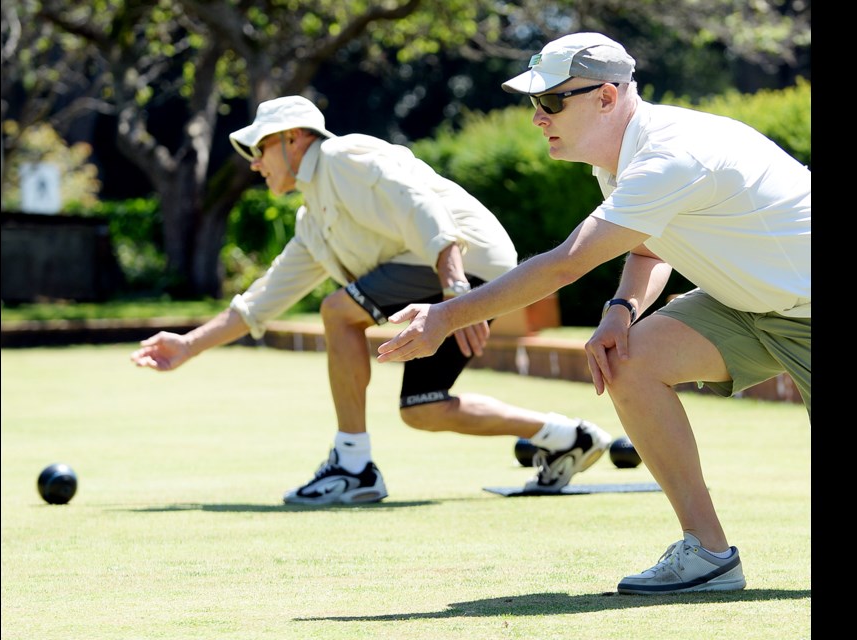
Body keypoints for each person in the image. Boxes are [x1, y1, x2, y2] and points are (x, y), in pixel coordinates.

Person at [376, 32, 810, 595]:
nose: (537, 118)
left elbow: (565, 265)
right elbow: (650, 246)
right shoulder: (622, 158)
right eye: (534, 102)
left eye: (551, 102)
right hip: (748, 307)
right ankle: (708, 554)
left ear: (606, 97)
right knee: (629, 360)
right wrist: (621, 312)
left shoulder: (669, 155)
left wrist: (445, 316)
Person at [129, 95, 612, 506]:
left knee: (338, 312)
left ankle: (353, 467)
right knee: (422, 408)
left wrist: (456, 292)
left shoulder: (343, 156)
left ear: (294, 138)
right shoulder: (313, 221)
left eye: (260, 148)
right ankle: (567, 436)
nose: (255, 163)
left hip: (469, 265)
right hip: (455, 276)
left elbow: (421, 205)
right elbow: (261, 302)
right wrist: (189, 345)